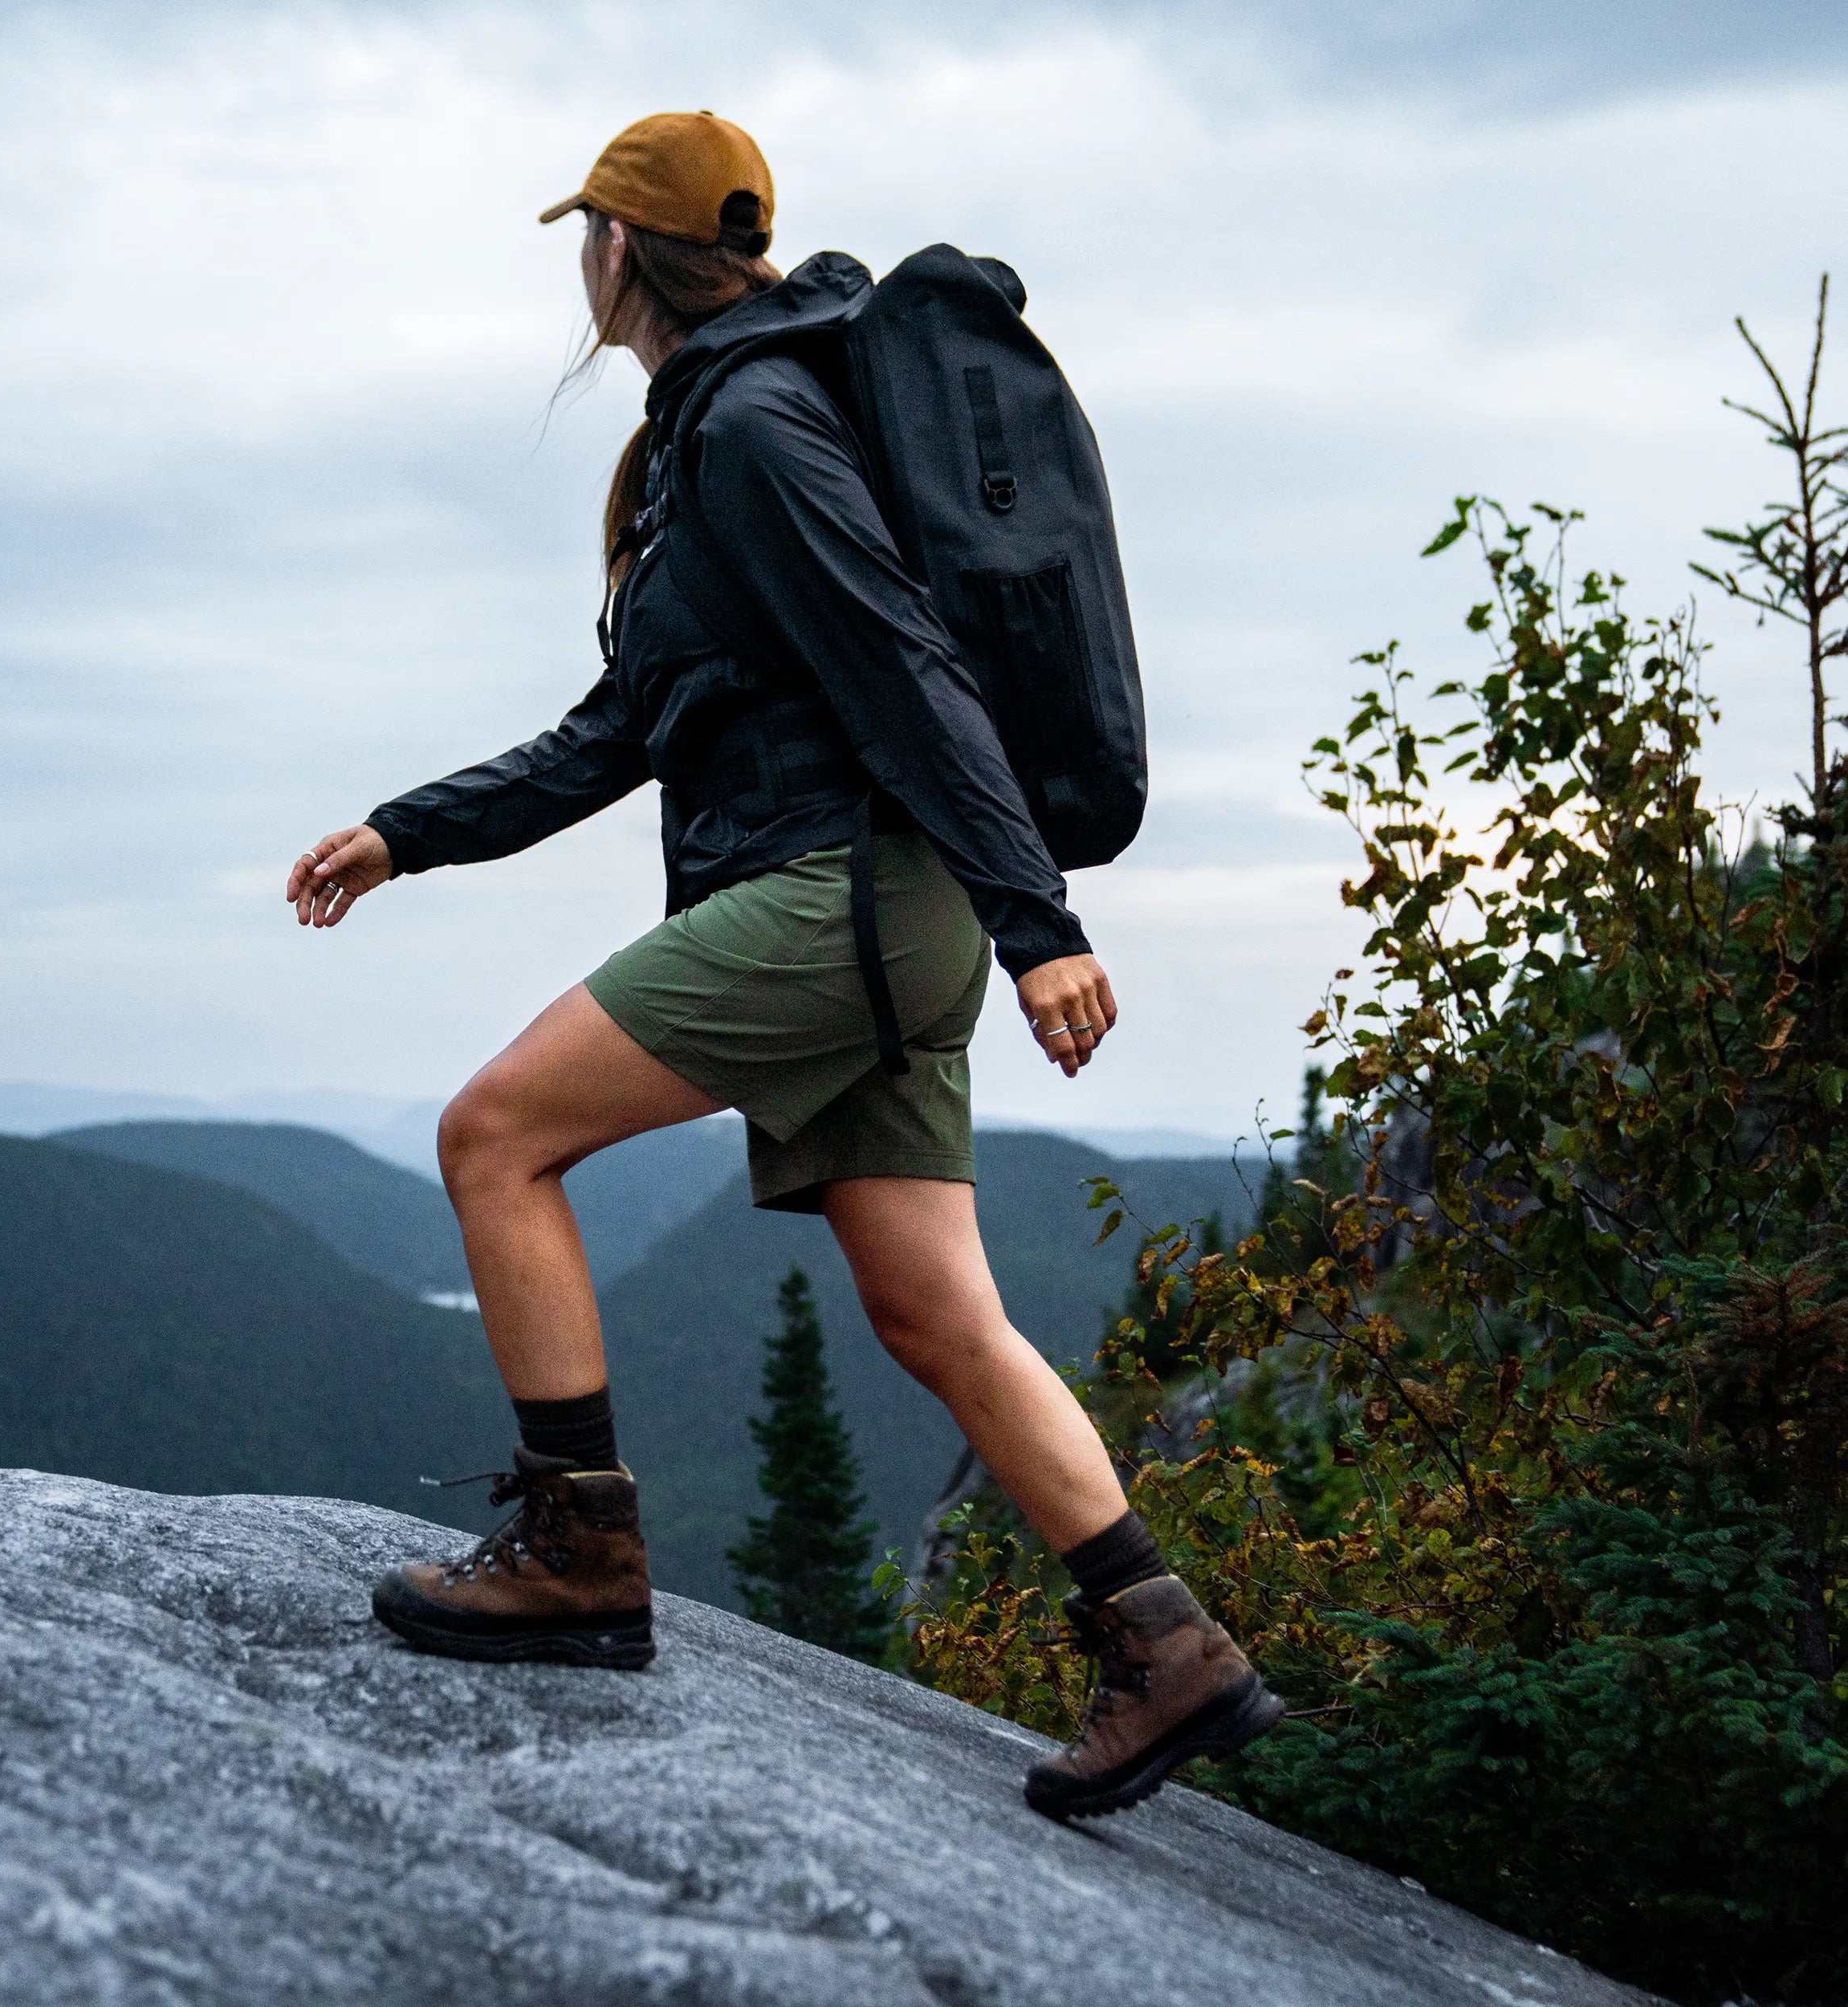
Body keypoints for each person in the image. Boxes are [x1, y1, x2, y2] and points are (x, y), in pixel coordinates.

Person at [285, 111, 1280, 1818]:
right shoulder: (720, 432)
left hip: (842, 898)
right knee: (931, 1307)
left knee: (491, 1136)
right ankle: (1161, 1635)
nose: (576, 265)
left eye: (584, 236)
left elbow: (901, 659)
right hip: (869, 902)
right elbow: (621, 727)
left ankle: (574, 1541)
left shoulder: (748, 424)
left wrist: (1036, 921)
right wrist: (406, 831)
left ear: (624, 251)